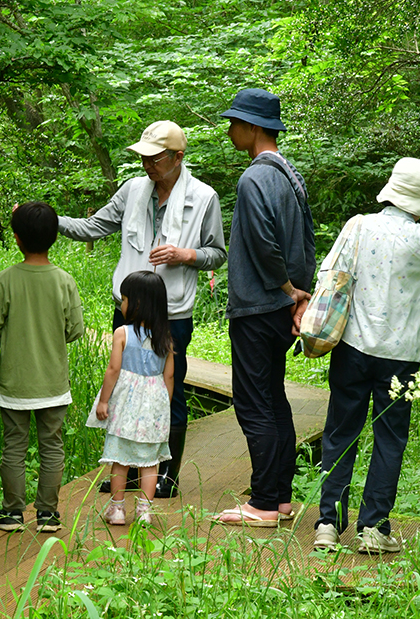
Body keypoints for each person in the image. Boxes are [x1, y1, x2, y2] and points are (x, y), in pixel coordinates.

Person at [312, 158, 420, 553]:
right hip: (401, 357)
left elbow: (329, 274)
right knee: (389, 440)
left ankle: (326, 524)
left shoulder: (360, 226)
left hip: (352, 347)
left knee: (340, 433)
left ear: (391, 190)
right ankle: (373, 529)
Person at [58, 120, 227, 498]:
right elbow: (93, 227)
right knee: (123, 388)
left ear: (178, 156)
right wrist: (49, 220)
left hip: (173, 313)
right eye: (144, 158)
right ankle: (129, 474)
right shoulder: (133, 190)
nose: (148, 165)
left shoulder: (203, 197)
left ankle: (166, 476)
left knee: (169, 390)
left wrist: (186, 255)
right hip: (129, 309)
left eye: (155, 158)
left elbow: (217, 254)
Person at [211, 88, 316, 527]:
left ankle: (263, 504)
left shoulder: (254, 178)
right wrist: (299, 294)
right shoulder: (290, 174)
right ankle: (281, 498)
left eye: (235, 122)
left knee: (253, 404)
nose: (230, 129)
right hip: (280, 309)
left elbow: (262, 243)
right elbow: (306, 244)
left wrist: (286, 288)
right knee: (274, 399)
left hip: (257, 308)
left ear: (253, 128)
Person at [0, 201, 85, 534]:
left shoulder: (6, 279)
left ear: (16, 238)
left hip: (14, 382)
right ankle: (48, 515)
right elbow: (75, 329)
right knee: (52, 445)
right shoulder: (64, 281)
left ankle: (12, 513)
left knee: (14, 445)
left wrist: (11, 343)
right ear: (55, 236)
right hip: (53, 382)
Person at [87, 271, 175, 525]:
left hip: (126, 403)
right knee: (149, 462)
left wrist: (103, 401)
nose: (121, 304)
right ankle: (144, 511)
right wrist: (164, 406)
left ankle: (117, 510)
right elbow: (169, 377)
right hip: (154, 405)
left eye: (124, 299)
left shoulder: (122, 333)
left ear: (136, 304)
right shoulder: (166, 338)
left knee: (120, 458)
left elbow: (113, 370)